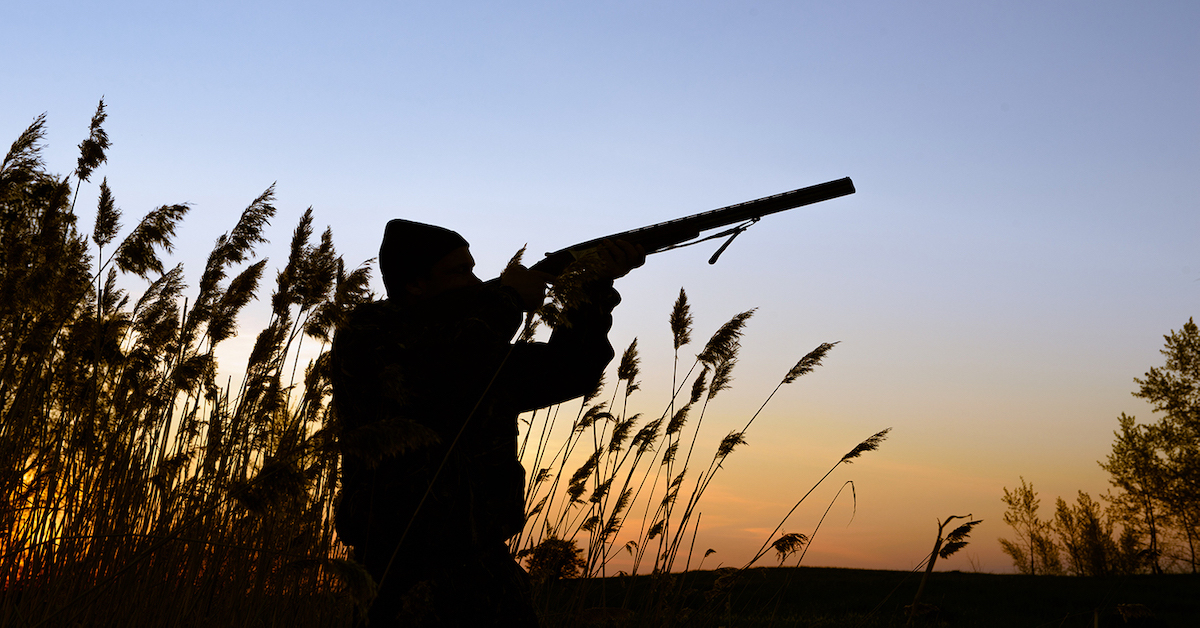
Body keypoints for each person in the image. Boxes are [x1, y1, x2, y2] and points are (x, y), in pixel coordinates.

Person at [331, 219, 643, 627]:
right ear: (414, 284)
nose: (475, 281)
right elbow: (455, 360)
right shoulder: (370, 337)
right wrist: (509, 297)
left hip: (483, 563)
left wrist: (591, 290)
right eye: (459, 271)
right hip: (400, 567)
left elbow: (570, 371)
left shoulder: (477, 351)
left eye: (473, 268)